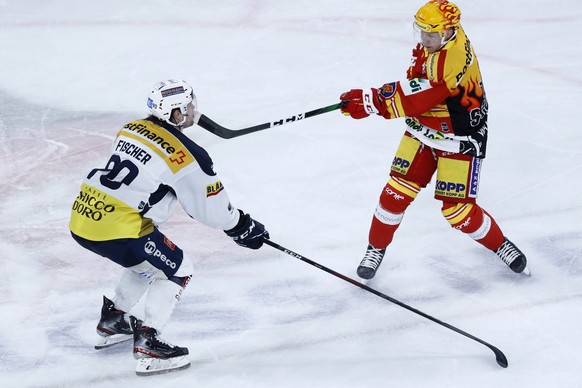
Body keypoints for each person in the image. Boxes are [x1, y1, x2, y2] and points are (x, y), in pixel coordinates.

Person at [69, 79, 269, 375]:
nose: (193, 111)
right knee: (179, 268)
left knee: (146, 265)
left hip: (83, 216)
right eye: (188, 107)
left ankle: (113, 320)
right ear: (176, 114)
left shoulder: (132, 127)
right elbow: (210, 209)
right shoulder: (188, 155)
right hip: (118, 227)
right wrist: (240, 225)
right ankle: (149, 342)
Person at [339, 0, 529, 280]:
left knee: (459, 212)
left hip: (459, 139)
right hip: (423, 130)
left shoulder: (446, 64)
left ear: (449, 32)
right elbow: (416, 85)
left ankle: (500, 244)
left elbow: (414, 97)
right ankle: (375, 249)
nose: (425, 40)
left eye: (431, 34)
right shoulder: (445, 40)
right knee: (393, 195)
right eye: (422, 33)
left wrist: (369, 101)